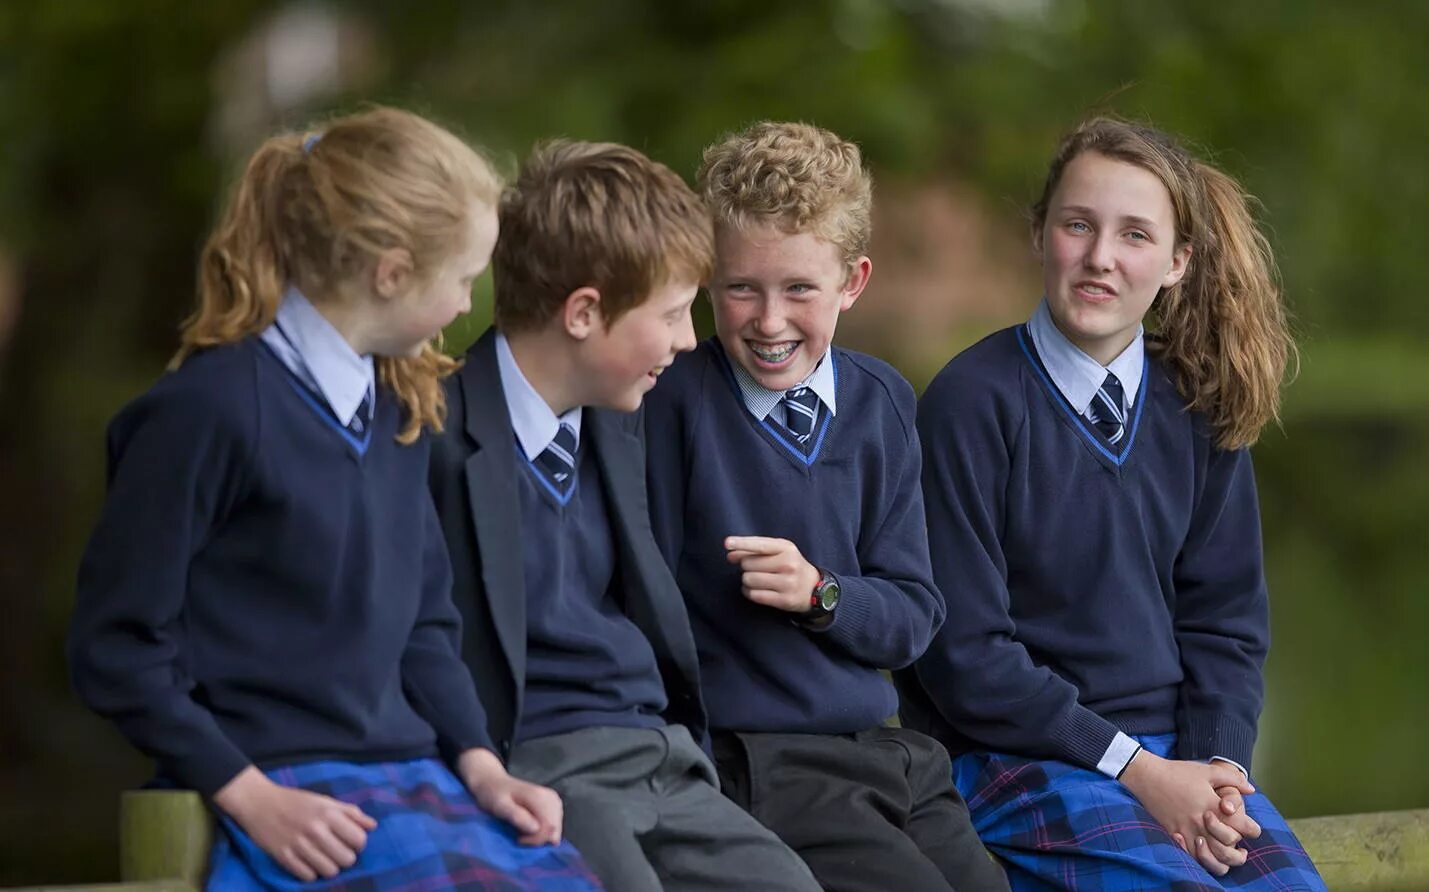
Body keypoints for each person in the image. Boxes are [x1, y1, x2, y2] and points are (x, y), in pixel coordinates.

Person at [69, 107, 599, 890]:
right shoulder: (206, 413)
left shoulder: (397, 409)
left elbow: (425, 623)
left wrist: (484, 768)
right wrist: (247, 795)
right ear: (390, 272)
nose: (466, 305)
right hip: (281, 788)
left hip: (413, 773)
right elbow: (117, 647)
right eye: (461, 279)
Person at [899, 116, 1326, 890]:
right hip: (1020, 755)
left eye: (1133, 235)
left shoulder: (1197, 404)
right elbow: (963, 657)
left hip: (1175, 757)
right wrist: (1139, 770)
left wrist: (1219, 771)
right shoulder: (972, 401)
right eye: (1076, 225)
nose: (1099, 257)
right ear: (1038, 235)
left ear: (1175, 262)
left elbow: (1223, 624)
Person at [428, 139, 821, 892]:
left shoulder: (616, 420)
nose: (685, 338)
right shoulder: (434, 435)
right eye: (673, 312)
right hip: (540, 767)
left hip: (663, 758)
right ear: (583, 313)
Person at [643, 121, 1008, 892]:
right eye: (740, 288)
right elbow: (642, 614)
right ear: (708, 279)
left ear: (852, 281)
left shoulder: (881, 402)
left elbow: (912, 616)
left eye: (798, 290)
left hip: (886, 749)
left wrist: (821, 594)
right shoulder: (669, 401)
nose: (768, 323)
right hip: (759, 755)